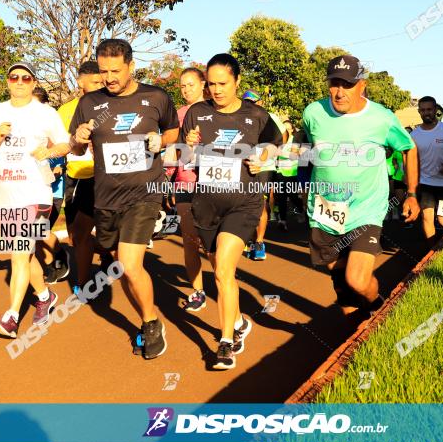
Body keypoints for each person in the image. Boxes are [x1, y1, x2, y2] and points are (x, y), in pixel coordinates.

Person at [69, 38, 177, 360]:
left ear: (131, 66)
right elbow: (74, 148)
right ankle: (147, 315)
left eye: (116, 70)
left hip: (145, 192)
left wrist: (161, 139)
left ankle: (151, 323)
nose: (109, 77)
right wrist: (78, 138)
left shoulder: (155, 97)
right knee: (121, 264)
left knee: (130, 265)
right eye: (104, 71)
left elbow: (173, 131)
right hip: (106, 197)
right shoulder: (89, 103)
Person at [182, 53, 284, 369]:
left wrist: (264, 155)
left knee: (224, 270)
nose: (216, 90)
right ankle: (238, 321)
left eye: (222, 83)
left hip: (244, 202)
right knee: (218, 268)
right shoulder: (197, 112)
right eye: (211, 84)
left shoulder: (257, 116)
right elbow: (187, 152)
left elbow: (277, 142)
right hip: (208, 203)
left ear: (237, 81)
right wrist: (190, 141)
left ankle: (226, 342)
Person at [303, 55, 420, 322]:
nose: (340, 91)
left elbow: (408, 148)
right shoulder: (313, 113)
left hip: (366, 209)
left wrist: (411, 193)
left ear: (361, 85)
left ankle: (378, 306)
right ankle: (360, 335)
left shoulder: (381, 118)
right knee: (343, 286)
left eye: (347, 84)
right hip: (324, 210)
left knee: (356, 280)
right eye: (334, 84)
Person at [0, 62, 71, 338]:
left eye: (25, 78)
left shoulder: (45, 113)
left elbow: (66, 144)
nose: (19, 82)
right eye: (14, 77)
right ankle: (44, 295)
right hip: (5, 196)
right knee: (24, 255)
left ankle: (11, 317)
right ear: (7, 81)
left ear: (33, 82)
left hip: (37, 194)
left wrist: (49, 152)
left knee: (18, 253)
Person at [57, 60, 109, 295]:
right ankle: (84, 281)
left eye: (103, 81)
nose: (101, 84)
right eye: (96, 81)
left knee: (110, 232)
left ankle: (109, 255)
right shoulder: (66, 111)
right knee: (77, 235)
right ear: (80, 82)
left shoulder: (112, 106)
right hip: (78, 178)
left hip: (109, 180)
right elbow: (57, 142)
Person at [166, 66, 211, 312]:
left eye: (190, 84)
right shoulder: (179, 114)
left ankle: (222, 280)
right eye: (182, 86)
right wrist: (167, 178)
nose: (186, 90)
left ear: (203, 84)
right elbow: (173, 150)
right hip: (184, 182)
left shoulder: (215, 110)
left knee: (211, 241)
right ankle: (198, 291)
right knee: (189, 239)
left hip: (211, 184)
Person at [410, 96, 443, 249]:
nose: (426, 113)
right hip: (425, 183)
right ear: (419, 111)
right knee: (427, 218)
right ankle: (432, 250)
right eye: (423, 110)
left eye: (429, 109)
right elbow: (411, 159)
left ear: (435, 110)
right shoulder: (413, 135)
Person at [240, 89, 288, 261]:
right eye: (247, 102)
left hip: (264, 167)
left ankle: (259, 242)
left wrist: (269, 153)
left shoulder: (271, 117)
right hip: (243, 167)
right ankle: (249, 237)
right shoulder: (238, 115)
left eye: (253, 102)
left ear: (260, 103)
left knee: (260, 202)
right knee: (244, 204)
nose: (250, 106)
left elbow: (283, 136)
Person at [32, 87, 70, 282]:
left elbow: (66, 150)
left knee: (39, 232)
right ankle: (52, 267)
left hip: (52, 192)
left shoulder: (54, 128)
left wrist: (59, 167)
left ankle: (60, 256)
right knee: (34, 235)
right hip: (30, 192)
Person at [275, 119, 305, 230]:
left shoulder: (295, 139)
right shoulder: (278, 140)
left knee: (293, 196)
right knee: (281, 196)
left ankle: (301, 209)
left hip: (293, 172)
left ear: (292, 129)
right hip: (280, 171)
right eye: (284, 129)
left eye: (288, 128)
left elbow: (295, 155)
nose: (286, 131)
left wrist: (280, 152)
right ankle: (282, 221)